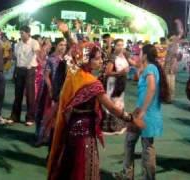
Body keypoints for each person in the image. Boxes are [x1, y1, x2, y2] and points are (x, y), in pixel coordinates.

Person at [47, 22, 143, 180]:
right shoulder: (92, 83)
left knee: (70, 165)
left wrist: (67, 35)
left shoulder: (75, 72)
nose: (100, 62)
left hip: (71, 128)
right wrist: (130, 118)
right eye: (97, 59)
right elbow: (111, 108)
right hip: (86, 131)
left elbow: (76, 52)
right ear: (88, 61)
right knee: (84, 167)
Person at [113, 44, 170, 180]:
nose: (138, 56)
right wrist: (126, 55)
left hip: (145, 113)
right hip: (142, 111)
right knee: (135, 143)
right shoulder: (150, 67)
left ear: (144, 55)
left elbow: (151, 88)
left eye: (140, 53)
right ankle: (132, 175)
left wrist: (143, 111)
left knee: (144, 147)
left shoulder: (150, 68)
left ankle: (134, 175)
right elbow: (136, 65)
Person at [35, 38, 67, 146]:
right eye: (61, 45)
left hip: (60, 90)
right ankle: (41, 137)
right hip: (50, 91)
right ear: (56, 45)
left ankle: (51, 137)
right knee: (46, 113)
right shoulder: (51, 59)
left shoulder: (65, 59)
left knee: (56, 116)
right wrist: (50, 89)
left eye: (64, 45)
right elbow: (46, 76)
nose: (63, 47)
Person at [8, 26, 40, 126]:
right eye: (20, 33)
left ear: (28, 33)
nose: (21, 35)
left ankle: (30, 118)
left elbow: (37, 53)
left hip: (30, 70)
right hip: (19, 69)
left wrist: (31, 62)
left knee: (30, 94)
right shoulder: (17, 44)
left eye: (22, 33)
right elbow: (15, 57)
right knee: (18, 94)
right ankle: (15, 116)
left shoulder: (34, 43)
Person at [102, 39, 130, 135]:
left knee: (119, 102)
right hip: (113, 83)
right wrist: (120, 72)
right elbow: (107, 72)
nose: (120, 47)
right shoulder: (113, 57)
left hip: (121, 83)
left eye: (122, 45)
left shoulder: (123, 55)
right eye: (118, 45)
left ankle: (118, 125)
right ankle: (110, 127)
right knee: (113, 103)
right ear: (114, 46)